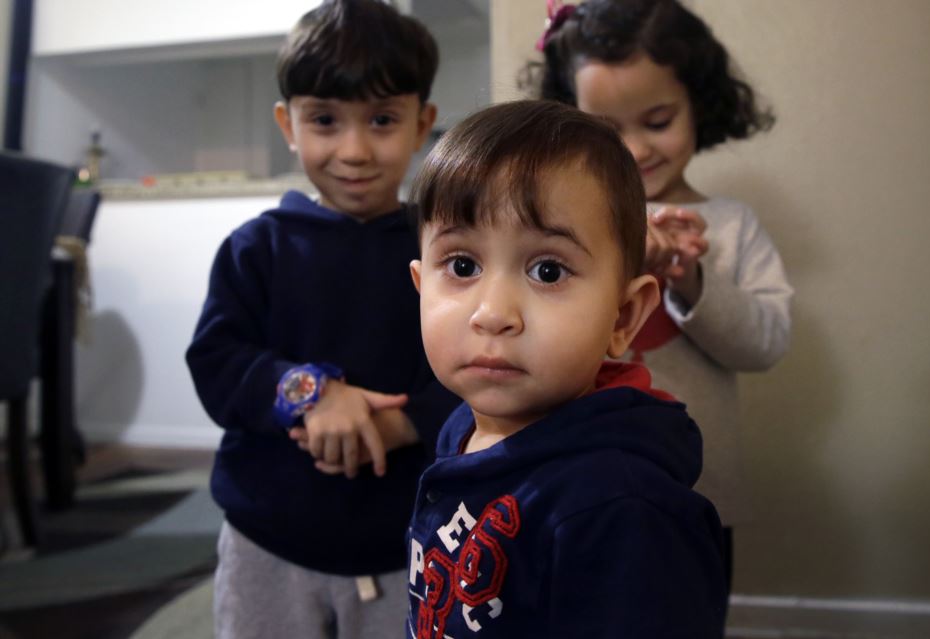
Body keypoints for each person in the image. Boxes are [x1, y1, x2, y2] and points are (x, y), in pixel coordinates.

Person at [185, 1, 459, 637]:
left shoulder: (449, 248)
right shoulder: (257, 248)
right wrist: (309, 392)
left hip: (409, 535)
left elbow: (479, 368)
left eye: (383, 119)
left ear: (422, 125)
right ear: (288, 123)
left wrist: (404, 422)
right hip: (268, 536)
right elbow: (217, 362)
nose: (355, 149)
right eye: (326, 120)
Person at [405, 99, 727, 638]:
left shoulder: (624, 509)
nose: (493, 314)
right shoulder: (464, 424)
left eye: (547, 270)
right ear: (420, 286)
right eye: (462, 265)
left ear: (622, 316)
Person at [531, 0, 795, 591]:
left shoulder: (730, 226)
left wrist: (690, 277)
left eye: (657, 120)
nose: (636, 150)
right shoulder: (558, 225)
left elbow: (765, 344)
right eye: (606, 130)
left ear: (697, 102)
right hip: (573, 482)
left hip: (698, 490)